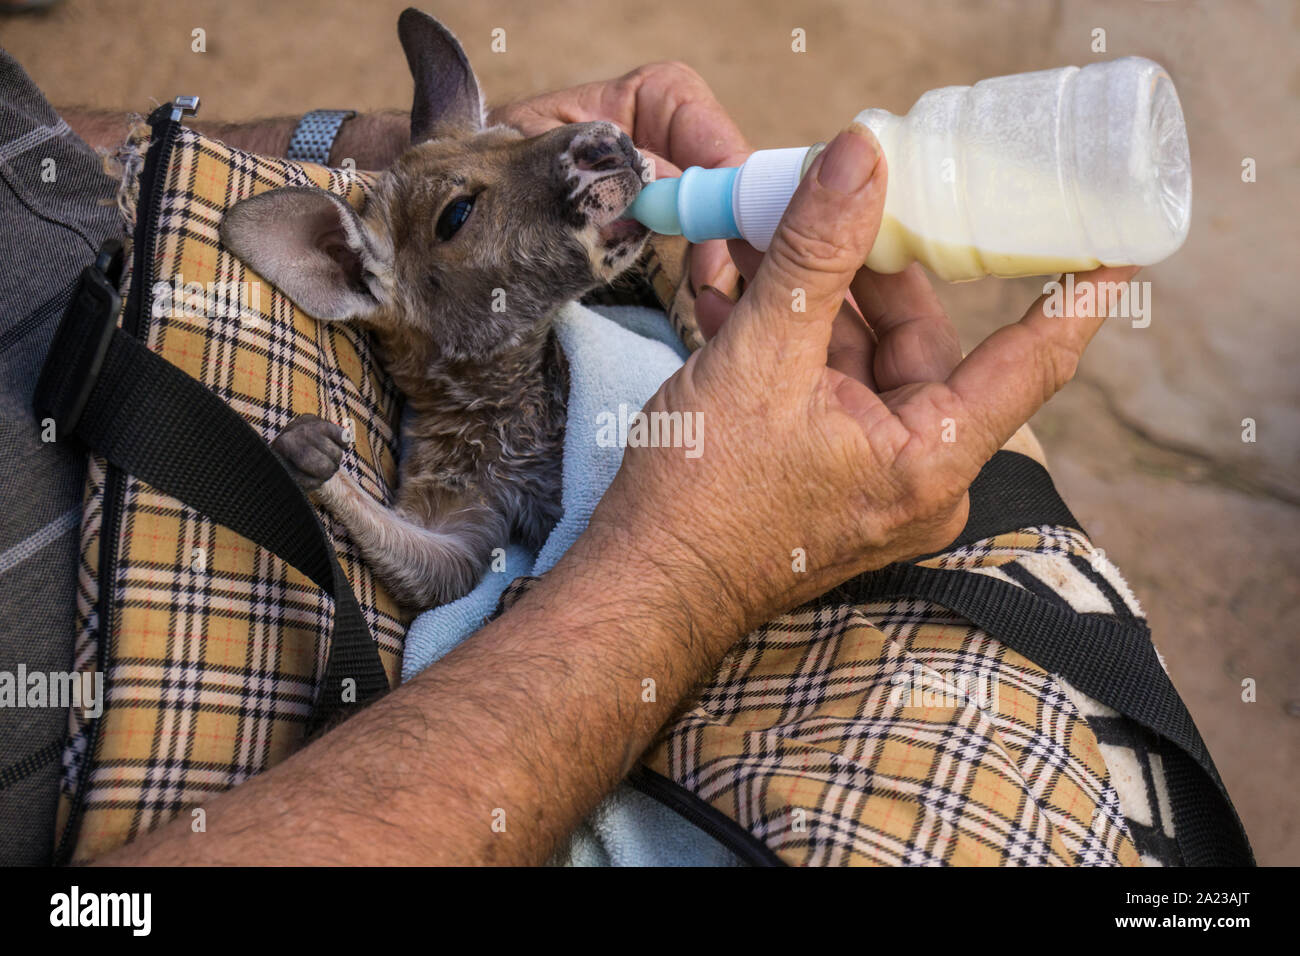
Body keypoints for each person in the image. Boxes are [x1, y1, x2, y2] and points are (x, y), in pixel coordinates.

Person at [1, 52, 1135, 865]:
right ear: (352, 277)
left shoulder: (543, 311)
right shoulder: (418, 383)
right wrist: (343, 489)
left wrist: (363, 148)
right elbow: (447, 562)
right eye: (458, 217)